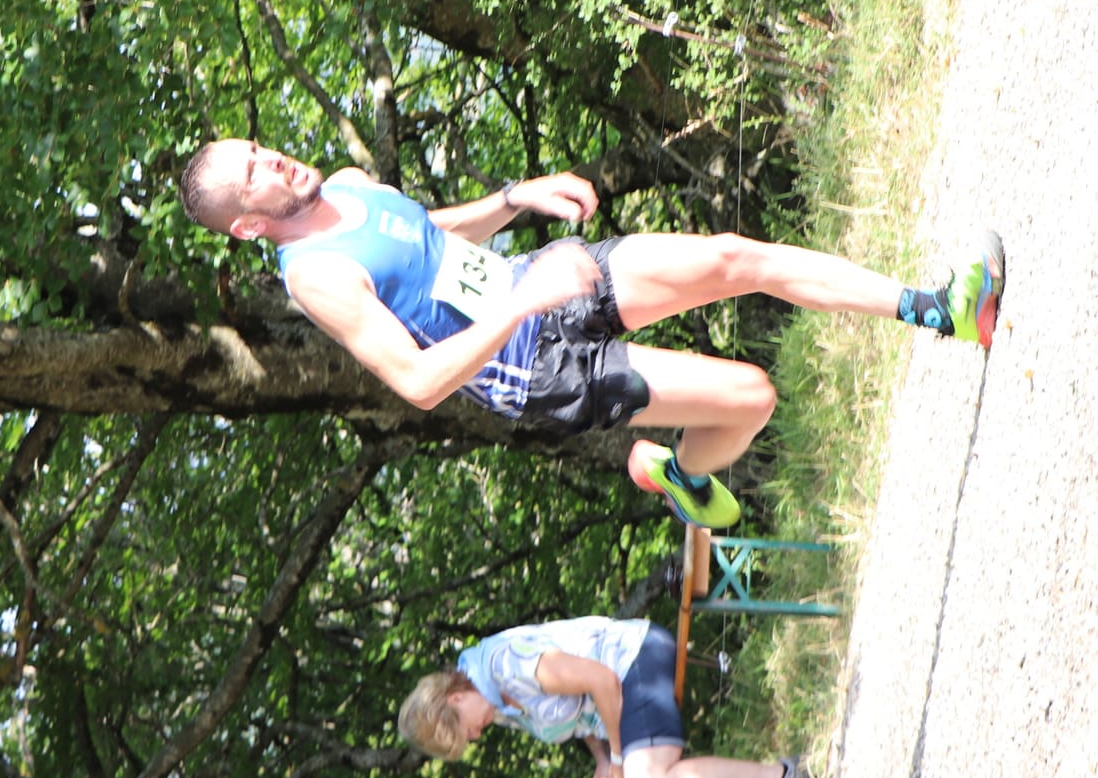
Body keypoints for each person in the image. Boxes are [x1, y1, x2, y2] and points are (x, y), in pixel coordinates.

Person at [178, 138, 1003, 528]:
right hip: (533, 364)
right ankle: (684, 474)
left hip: (541, 281)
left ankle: (939, 308)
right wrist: (521, 303)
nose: (277, 162)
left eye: (261, 149)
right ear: (250, 226)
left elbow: (424, 235)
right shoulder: (315, 277)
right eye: (258, 174)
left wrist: (514, 196)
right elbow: (420, 383)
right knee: (752, 396)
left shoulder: (349, 183)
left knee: (731, 256)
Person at [397, 616, 820, 778]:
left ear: (455, 696)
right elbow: (578, 717)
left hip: (635, 659)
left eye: (463, 730)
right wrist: (603, 761)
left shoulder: (506, 667)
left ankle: (782, 775)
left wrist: (619, 762)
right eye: (467, 741)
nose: (474, 737)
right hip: (622, 700)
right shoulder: (497, 707)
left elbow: (601, 681)